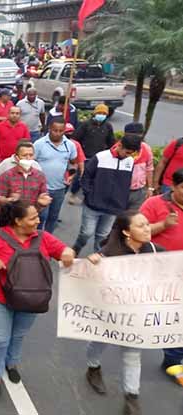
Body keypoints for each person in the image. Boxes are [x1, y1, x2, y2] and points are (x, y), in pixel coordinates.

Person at [0, 201, 74, 400]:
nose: (38, 220)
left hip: (32, 300)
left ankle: (12, 364)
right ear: (18, 221)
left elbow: (63, 251)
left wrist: (68, 253)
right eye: (33, 217)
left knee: (18, 335)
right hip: (0, 299)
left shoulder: (43, 237)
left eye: (38, 216)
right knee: (0, 338)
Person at [84, 212, 164, 415]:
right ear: (127, 232)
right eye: (141, 226)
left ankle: (132, 397)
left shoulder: (154, 250)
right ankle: (93, 367)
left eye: (148, 224)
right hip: (111, 314)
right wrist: (91, 264)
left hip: (135, 317)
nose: (147, 228)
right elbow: (90, 277)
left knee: (133, 355)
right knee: (99, 341)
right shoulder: (109, 254)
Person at [141, 168, 183, 375]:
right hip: (155, 270)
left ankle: (173, 360)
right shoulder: (155, 203)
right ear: (173, 186)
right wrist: (163, 225)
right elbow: (136, 232)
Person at [72, 135, 140, 255]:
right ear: (119, 145)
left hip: (113, 208)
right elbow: (86, 176)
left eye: (131, 153)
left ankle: (99, 259)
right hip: (93, 205)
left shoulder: (130, 161)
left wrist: (122, 202)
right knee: (86, 233)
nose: (128, 156)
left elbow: (125, 184)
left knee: (102, 237)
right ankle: (76, 248)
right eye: (127, 152)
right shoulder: (101, 157)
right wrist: (89, 194)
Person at [33, 118, 78, 233]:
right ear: (49, 129)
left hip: (59, 188)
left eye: (61, 131)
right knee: (41, 217)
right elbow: (32, 163)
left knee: (53, 217)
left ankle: (48, 240)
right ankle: (35, 239)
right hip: (41, 189)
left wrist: (71, 176)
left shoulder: (70, 145)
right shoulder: (39, 144)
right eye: (55, 130)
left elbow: (73, 163)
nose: (58, 133)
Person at [0, 141, 51, 209]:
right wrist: (9, 200)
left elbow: (44, 194)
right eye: (24, 155)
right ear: (17, 158)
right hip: (12, 215)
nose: (28, 158)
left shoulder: (39, 175)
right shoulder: (6, 175)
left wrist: (44, 200)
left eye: (31, 155)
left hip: (32, 215)